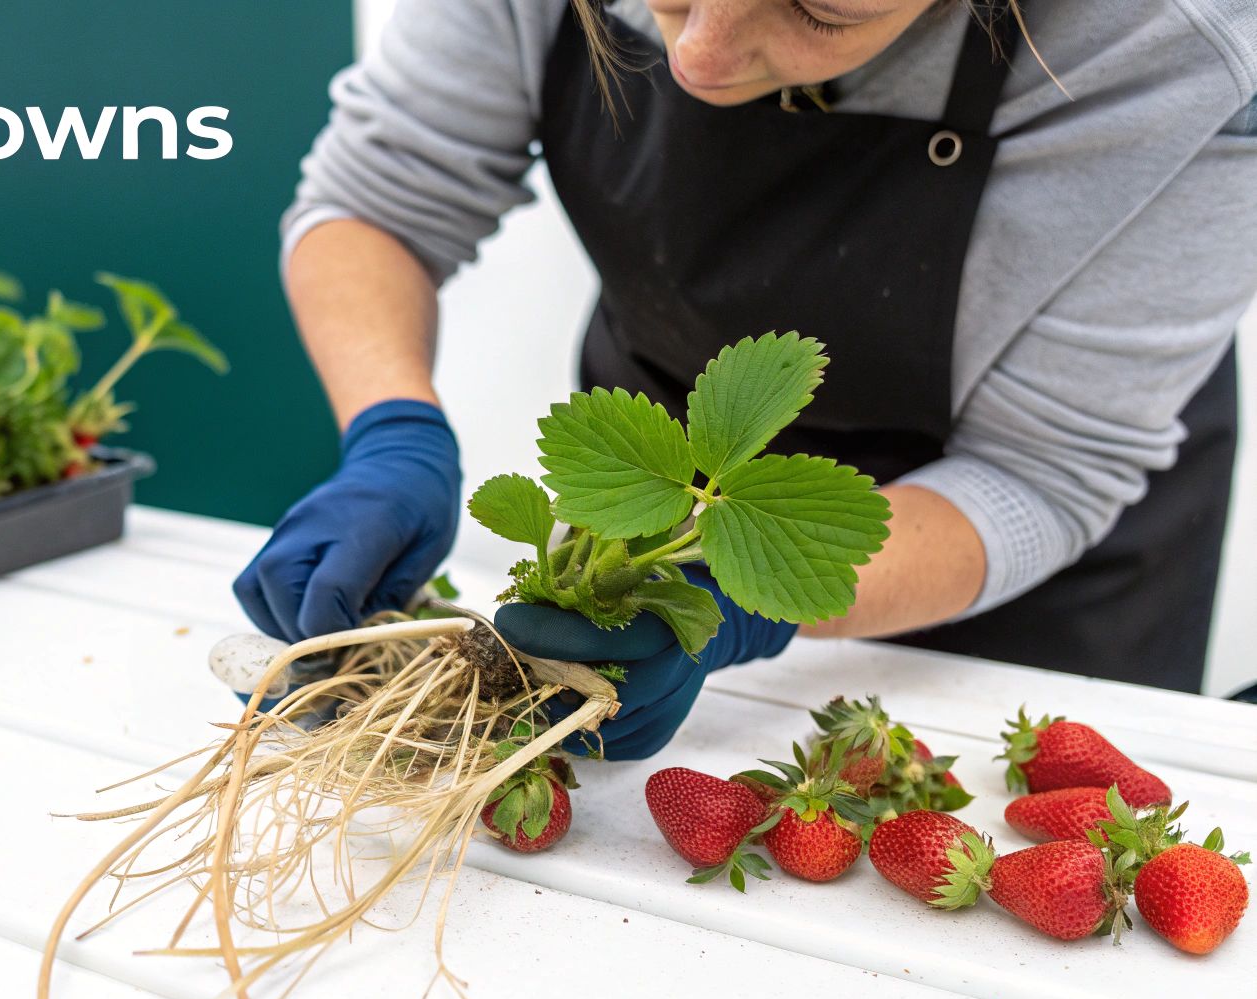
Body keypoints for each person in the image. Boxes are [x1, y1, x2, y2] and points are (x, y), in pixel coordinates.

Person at [233, 0, 1257, 756]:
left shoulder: (1177, 43)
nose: (698, 58)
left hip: (1010, 566)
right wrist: (392, 430)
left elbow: (1041, 472)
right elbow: (379, 198)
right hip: (677, 462)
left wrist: (748, 592)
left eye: (823, 12)